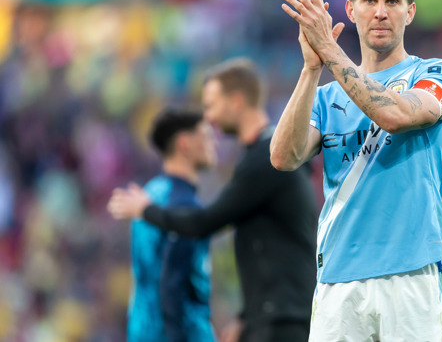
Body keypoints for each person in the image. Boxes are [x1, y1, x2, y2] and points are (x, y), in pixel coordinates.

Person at [271, 0, 442, 341]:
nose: (380, 12)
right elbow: (282, 157)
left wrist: (330, 52)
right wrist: (312, 68)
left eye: (392, 1)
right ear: (351, 10)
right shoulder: (326, 98)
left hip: (410, 274)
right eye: (369, 0)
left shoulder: (438, 73)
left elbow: (396, 115)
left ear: (410, 12)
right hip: (337, 279)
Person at [108, 59, 318, 342]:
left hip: (281, 320)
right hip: (274, 315)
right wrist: (246, 316)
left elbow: (204, 222)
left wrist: (146, 210)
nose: (208, 118)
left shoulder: (267, 160)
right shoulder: (261, 160)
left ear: (236, 101)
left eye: (211, 105)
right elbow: (268, 247)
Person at [126, 107, 217, 341]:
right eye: (206, 136)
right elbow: (172, 282)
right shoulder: (183, 205)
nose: (214, 143)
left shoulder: (150, 195)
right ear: (185, 143)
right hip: (178, 333)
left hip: (142, 330)